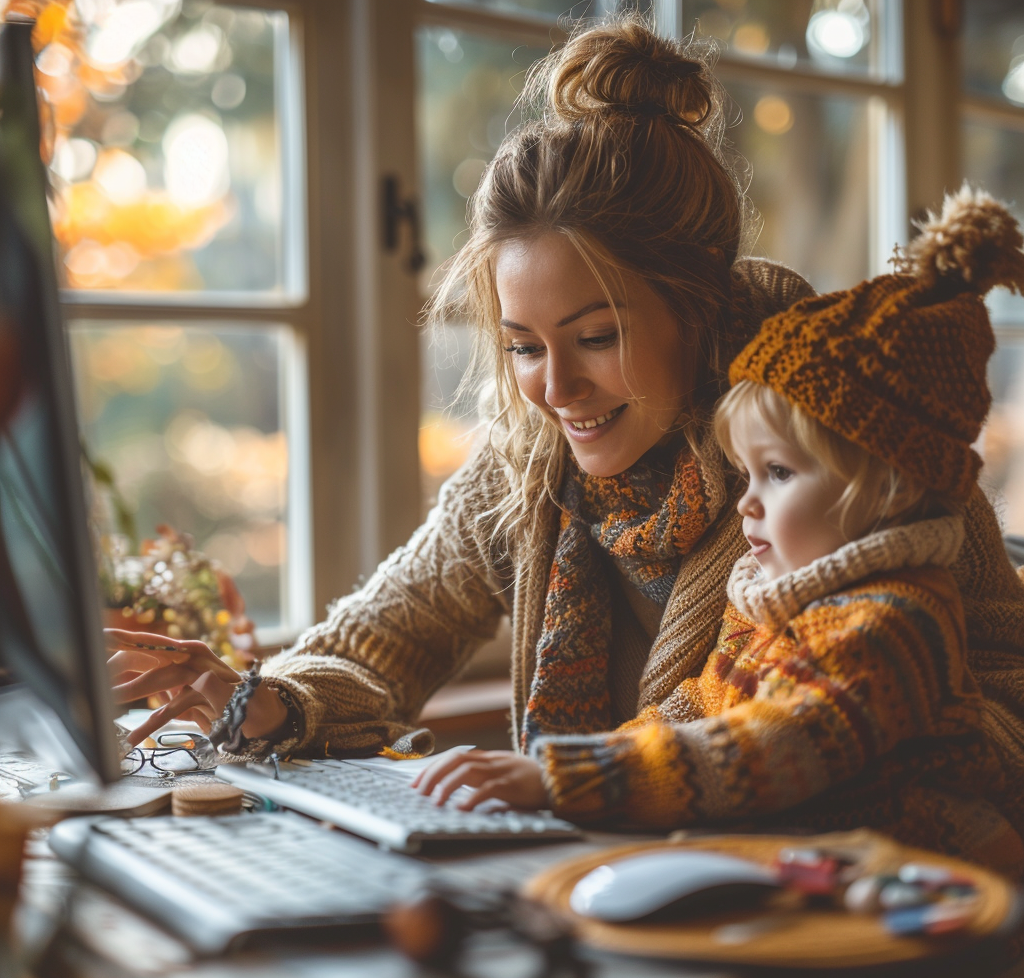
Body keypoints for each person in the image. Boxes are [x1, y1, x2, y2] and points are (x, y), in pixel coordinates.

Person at [105, 17, 1024, 864]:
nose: (555, 388)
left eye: (596, 338)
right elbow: (377, 643)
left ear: (698, 310)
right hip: (639, 878)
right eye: (521, 347)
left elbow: (998, 705)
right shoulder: (524, 468)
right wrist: (274, 701)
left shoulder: (850, 447)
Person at [417, 186, 1024, 877]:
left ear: (889, 489)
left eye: (780, 475)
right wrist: (568, 766)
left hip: (897, 910)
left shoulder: (891, 623)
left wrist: (572, 779)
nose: (747, 502)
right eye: (521, 345)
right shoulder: (776, 598)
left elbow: (767, 746)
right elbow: (701, 707)